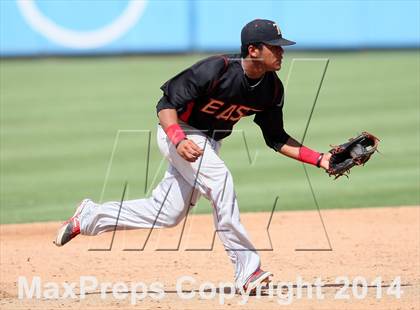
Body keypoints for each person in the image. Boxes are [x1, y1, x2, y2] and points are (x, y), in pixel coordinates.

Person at [54, 19, 331, 294]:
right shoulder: (217, 69)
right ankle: (248, 270)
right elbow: (166, 104)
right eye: (275, 46)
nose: (282, 51)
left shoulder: (272, 89)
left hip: (207, 144)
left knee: (167, 213)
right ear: (254, 50)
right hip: (178, 131)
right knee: (220, 181)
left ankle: (90, 217)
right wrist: (178, 139)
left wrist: (320, 159)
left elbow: (276, 138)